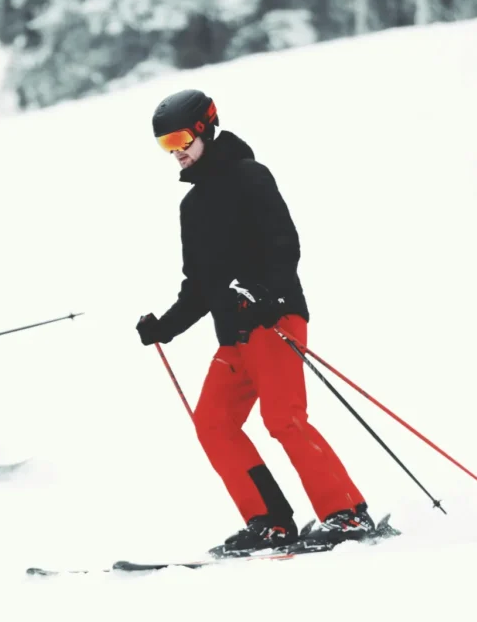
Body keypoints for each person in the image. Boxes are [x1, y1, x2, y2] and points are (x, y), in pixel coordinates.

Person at [136, 89, 377, 556]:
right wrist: (165, 326)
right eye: (166, 144)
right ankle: (271, 522)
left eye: (181, 138)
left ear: (205, 129)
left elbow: (283, 245)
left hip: (273, 317)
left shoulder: (250, 176)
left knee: (283, 419)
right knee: (212, 424)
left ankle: (345, 512)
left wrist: (269, 292)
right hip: (234, 335)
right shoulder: (192, 206)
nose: (176, 151)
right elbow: (199, 286)